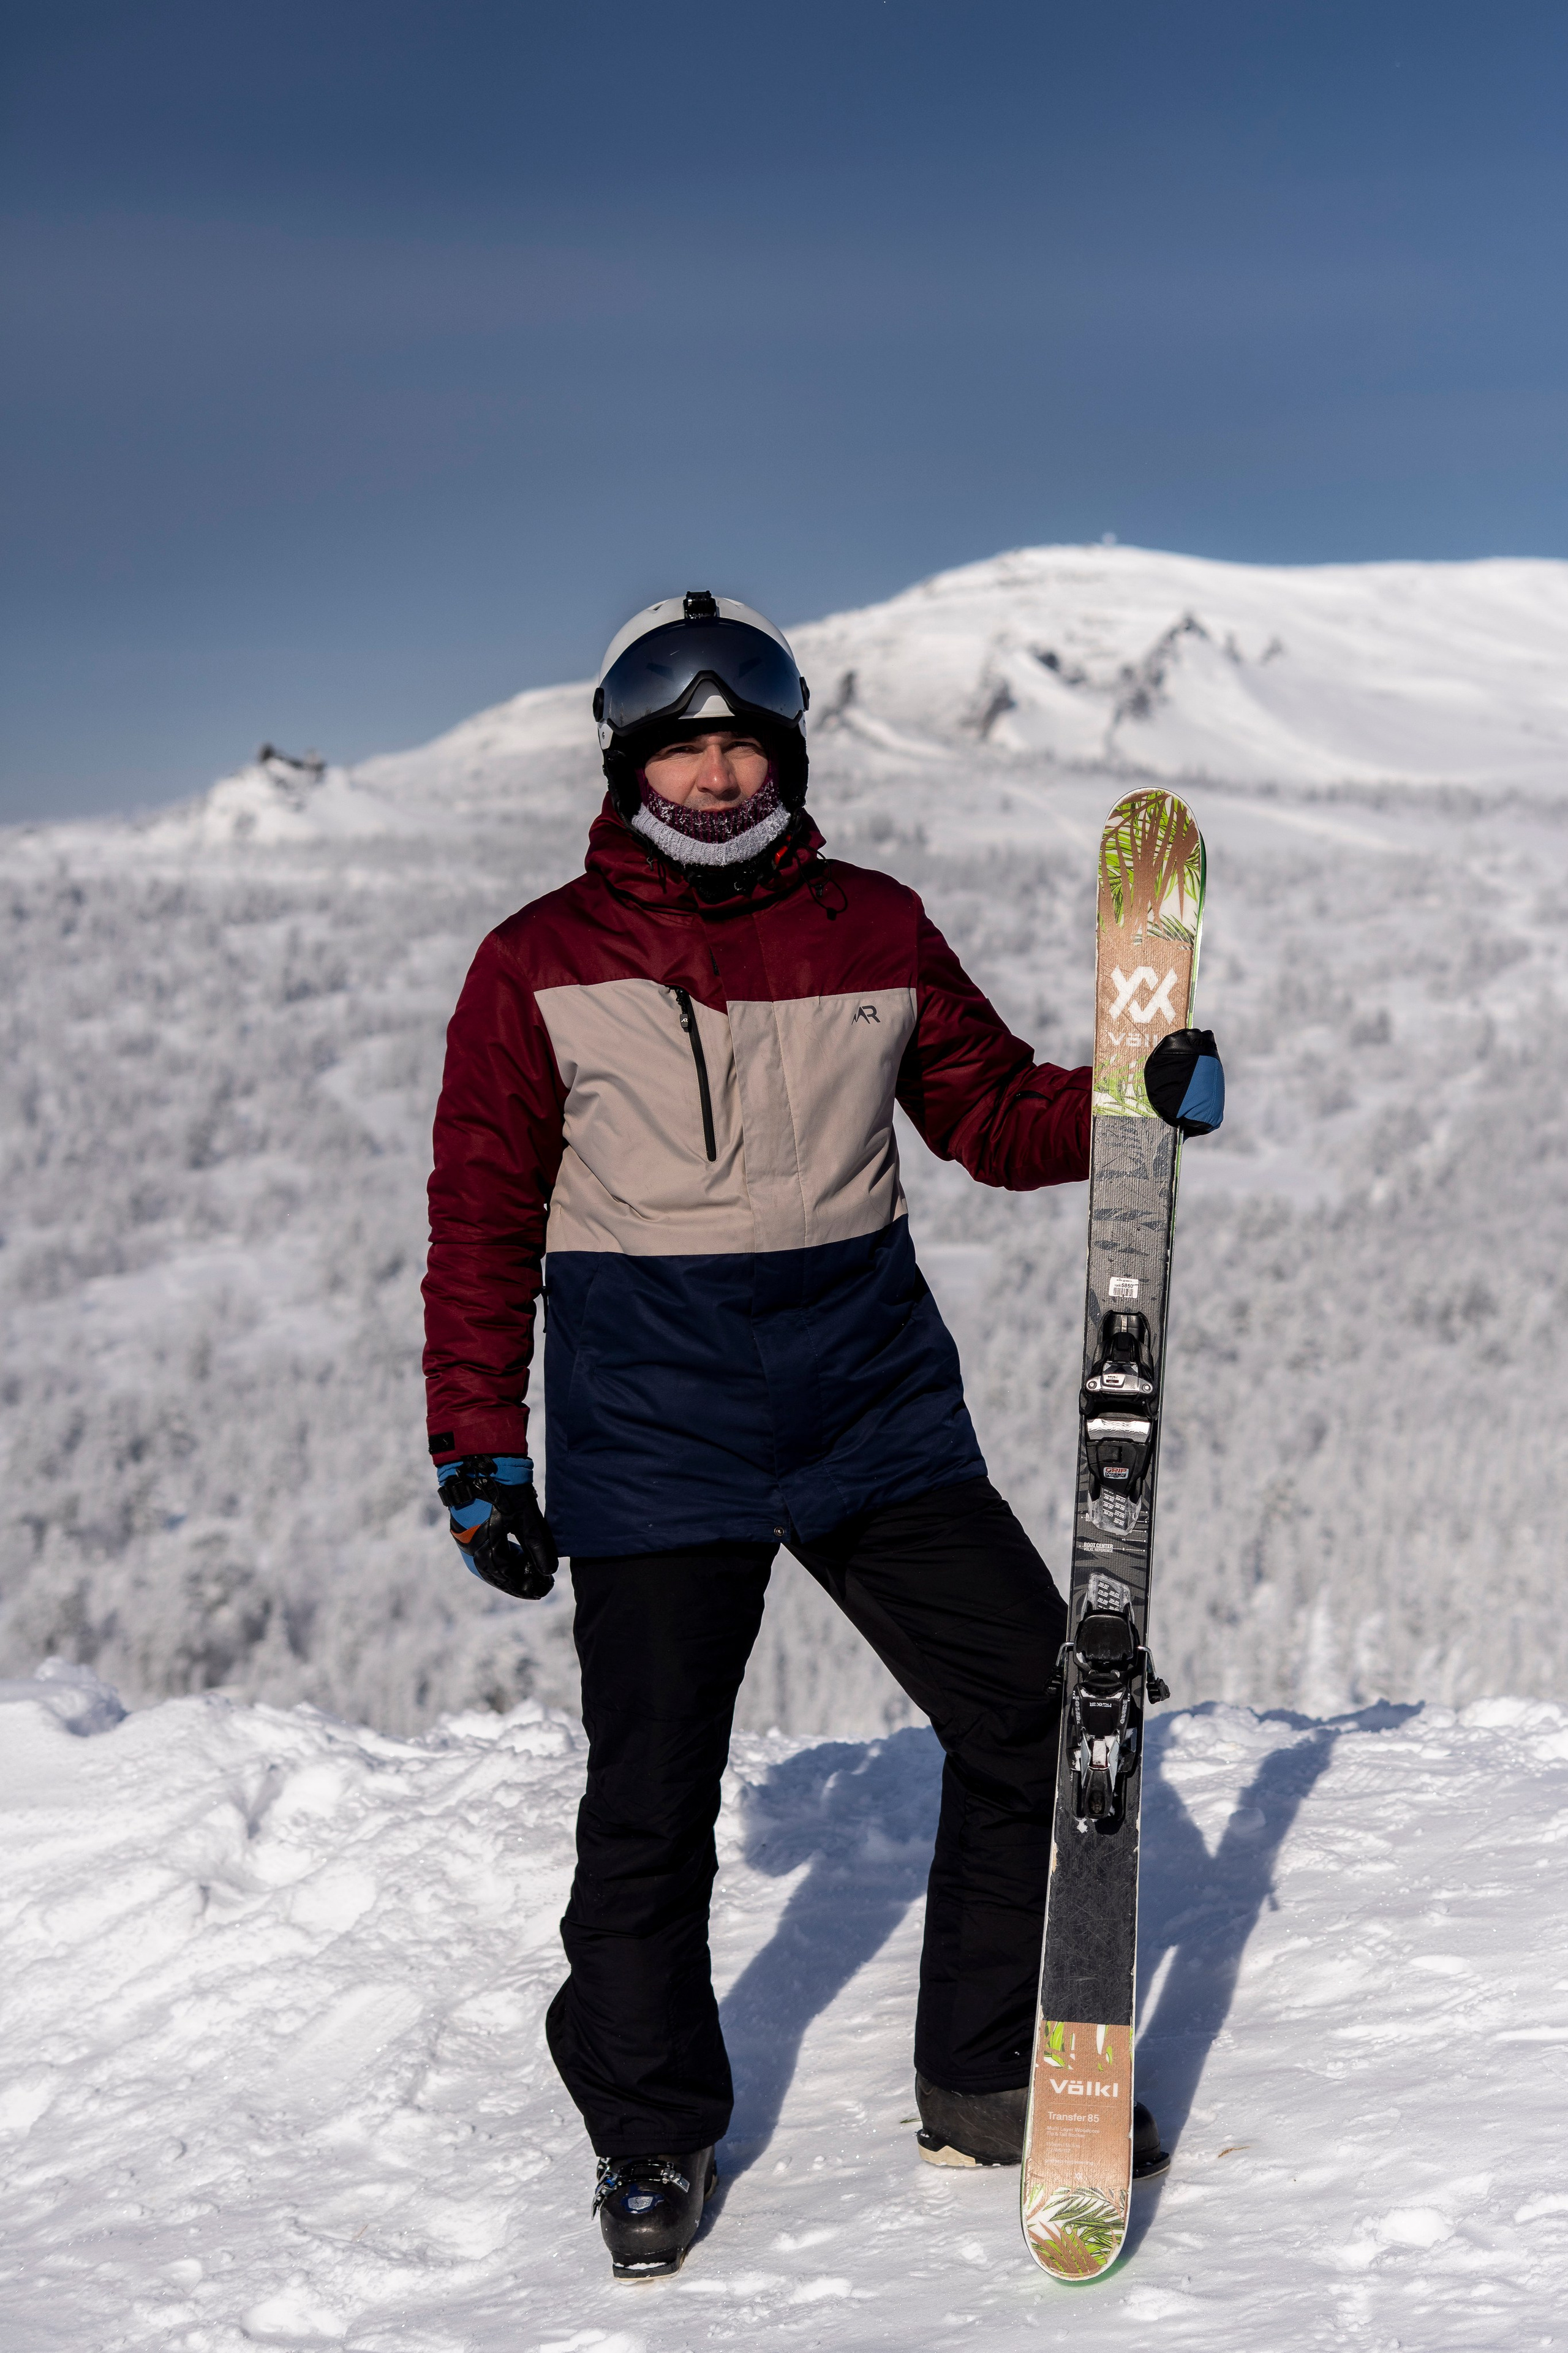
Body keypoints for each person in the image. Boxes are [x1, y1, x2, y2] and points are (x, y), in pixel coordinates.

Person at [421, 591, 1224, 2281]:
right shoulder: (538, 961)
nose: (715, 777)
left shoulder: (876, 924)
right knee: (651, 1797)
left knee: (1044, 1708)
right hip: (656, 1429)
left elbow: (989, 1115)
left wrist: (1126, 1099)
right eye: (681, 748)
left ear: (783, 755)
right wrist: (478, 1442)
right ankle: (649, 2125)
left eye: (742, 745)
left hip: (870, 1408)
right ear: (631, 765)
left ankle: (989, 2070)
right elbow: (483, 1217)